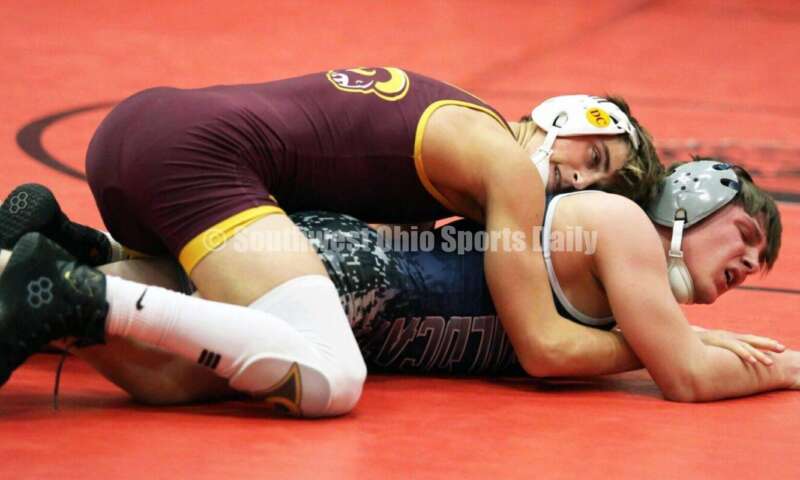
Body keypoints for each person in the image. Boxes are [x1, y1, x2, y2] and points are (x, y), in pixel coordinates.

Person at [0, 67, 663, 416]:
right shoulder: (510, 170)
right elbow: (542, 346)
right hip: (199, 158)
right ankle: (75, 295)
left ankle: (71, 249)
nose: (576, 180)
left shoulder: (469, 127)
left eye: (597, 187)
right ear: (568, 118)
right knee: (329, 375)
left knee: (196, 354)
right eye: (595, 159)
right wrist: (659, 343)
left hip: (140, 134)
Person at [0, 159, 795, 412]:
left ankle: (53, 253)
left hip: (355, 271)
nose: (746, 271)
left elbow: (668, 355)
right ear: (694, 201)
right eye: (748, 239)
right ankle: (67, 290)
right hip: (367, 284)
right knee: (183, 376)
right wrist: (788, 365)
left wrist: (675, 338)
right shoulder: (617, 225)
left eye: (759, 268)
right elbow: (684, 377)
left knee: (173, 308)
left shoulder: (625, 274)